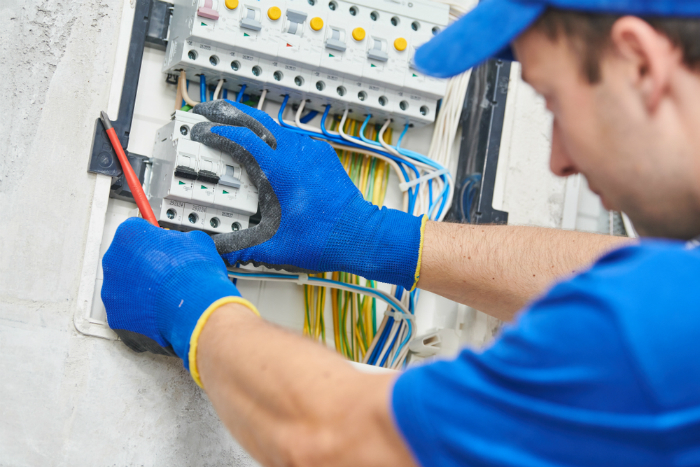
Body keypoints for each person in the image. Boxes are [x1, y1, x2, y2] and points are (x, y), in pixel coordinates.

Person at [101, 0, 700, 464]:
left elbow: (333, 438)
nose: (560, 161)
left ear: (641, 63)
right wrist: (377, 237)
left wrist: (191, 307)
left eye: (556, 102)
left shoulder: (652, 340)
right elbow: (634, 282)